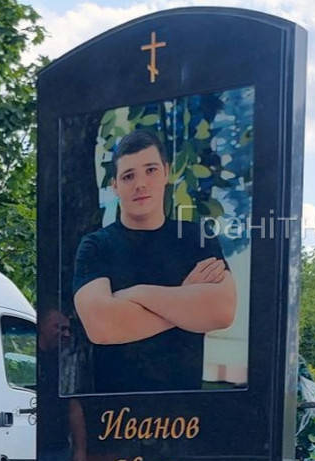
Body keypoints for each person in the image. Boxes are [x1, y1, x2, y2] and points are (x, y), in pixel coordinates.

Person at [72, 127, 237, 393]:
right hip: (114, 412)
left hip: (186, 410)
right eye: (128, 176)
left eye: (150, 170)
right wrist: (186, 301)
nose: (140, 184)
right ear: (115, 186)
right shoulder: (96, 246)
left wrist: (134, 295)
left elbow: (222, 311)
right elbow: (101, 327)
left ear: (166, 172)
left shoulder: (196, 238)